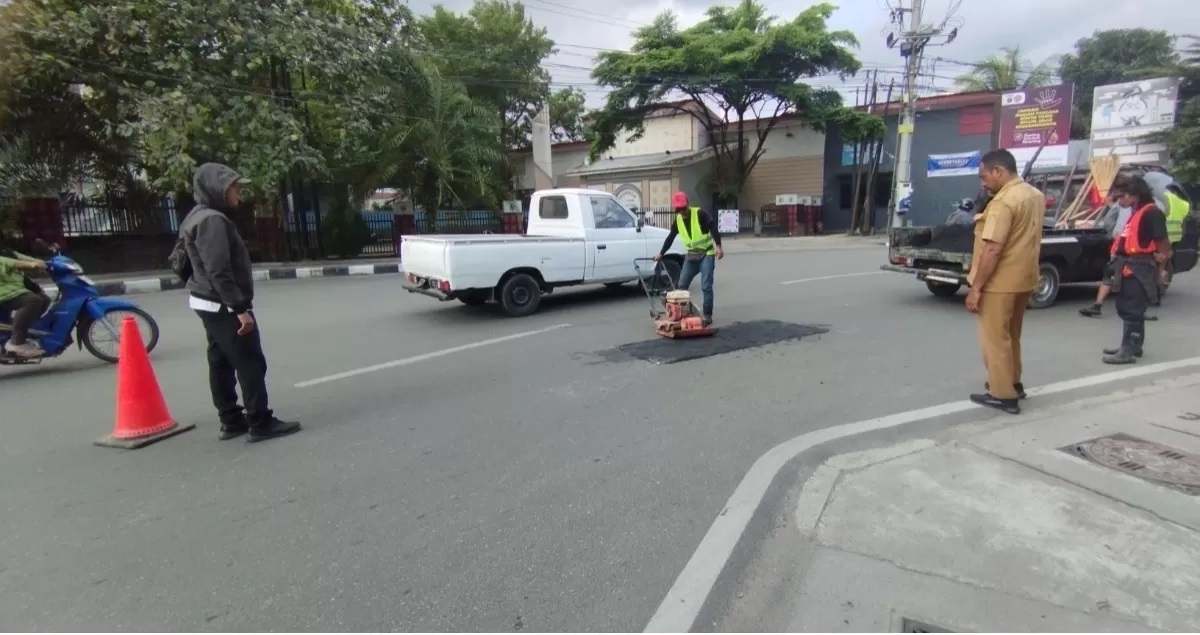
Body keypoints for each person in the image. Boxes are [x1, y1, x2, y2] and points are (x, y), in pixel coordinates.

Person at [179, 162, 301, 442]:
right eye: (234, 188)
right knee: (249, 362)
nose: (238, 194)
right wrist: (239, 309)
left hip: (205, 300)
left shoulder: (196, 216)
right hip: (222, 302)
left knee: (220, 360)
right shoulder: (212, 221)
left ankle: (231, 420)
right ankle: (260, 421)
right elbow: (219, 270)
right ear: (217, 189)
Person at [965, 148, 1045, 414]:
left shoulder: (1003, 202)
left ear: (999, 171)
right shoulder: (1035, 195)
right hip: (1025, 279)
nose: (983, 182)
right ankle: (1014, 383)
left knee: (995, 339)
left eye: (984, 176)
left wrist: (976, 287)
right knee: (1012, 336)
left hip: (1000, 282)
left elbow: (992, 249)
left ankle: (1002, 394)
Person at [1100, 175, 1171, 365]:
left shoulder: (1151, 213)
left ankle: (1127, 350)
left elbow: (1163, 243)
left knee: (1132, 308)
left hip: (1139, 267)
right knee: (1127, 306)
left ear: (1135, 195)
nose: (1119, 201)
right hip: (1127, 265)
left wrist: (1162, 269)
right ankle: (1134, 346)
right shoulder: (1137, 211)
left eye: (1122, 197)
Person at [653, 191, 724, 326]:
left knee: (706, 286)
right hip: (691, 256)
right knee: (681, 286)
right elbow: (670, 238)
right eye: (679, 209)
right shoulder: (678, 220)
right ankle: (682, 312)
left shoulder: (700, 214)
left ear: (688, 204)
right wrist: (661, 253)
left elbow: (713, 227)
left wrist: (719, 246)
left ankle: (707, 315)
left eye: (684, 208)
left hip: (706, 254)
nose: (682, 212)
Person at [1078, 191, 1139, 319]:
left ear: (1131, 196)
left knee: (1126, 277)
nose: (1120, 201)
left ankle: (1134, 306)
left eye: (1122, 197)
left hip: (1131, 250)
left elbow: (1112, 224)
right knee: (1111, 274)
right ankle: (1098, 305)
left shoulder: (1136, 211)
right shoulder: (1126, 209)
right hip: (1121, 248)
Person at [0, 246, 50, 358]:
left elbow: (21, 257)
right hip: (4, 292)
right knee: (33, 301)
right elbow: (9, 262)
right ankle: (16, 342)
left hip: (11, 289)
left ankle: (27, 332)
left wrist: (47, 263)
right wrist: (31, 265)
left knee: (44, 298)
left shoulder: (5, 250)